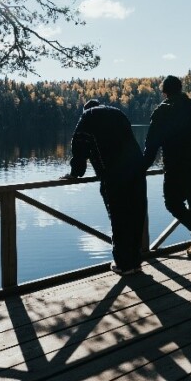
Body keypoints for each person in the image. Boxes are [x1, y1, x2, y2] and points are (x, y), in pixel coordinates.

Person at [61, 99, 148, 274]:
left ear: (85, 110)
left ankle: (124, 265)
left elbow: (79, 144)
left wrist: (75, 173)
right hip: (137, 170)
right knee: (136, 213)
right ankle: (136, 262)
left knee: (119, 216)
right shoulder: (118, 113)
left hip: (114, 174)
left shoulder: (88, 116)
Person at [142, 75, 191, 261]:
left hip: (176, 166)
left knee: (172, 203)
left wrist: (141, 167)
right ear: (180, 88)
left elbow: (152, 144)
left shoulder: (163, 111)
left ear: (164, 92)